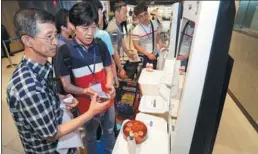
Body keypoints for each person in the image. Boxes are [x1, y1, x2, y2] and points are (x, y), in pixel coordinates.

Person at [6, 8, 109, 154]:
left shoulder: (43, 67)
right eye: (48, 37)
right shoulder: (28, 88)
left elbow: (45, 101)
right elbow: (51, 133)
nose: (55, 42)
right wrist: (91, 112)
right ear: (27, 40)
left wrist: (60, 100)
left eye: (55, 35)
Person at [57, 2, 116, 154]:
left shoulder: (100, 45)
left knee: (110, 131)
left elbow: (109, 70)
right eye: (85, 28)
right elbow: (67, 85)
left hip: (107, 100)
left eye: (94, 27)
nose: (90, 32)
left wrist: (110, 84)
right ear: (73, 26)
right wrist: (86, 91)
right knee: (90, 137)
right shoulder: (64, 52)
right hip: (86, 106)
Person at [106, 0, 136, 78]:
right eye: (124, 12)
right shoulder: (113, 29)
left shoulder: (118, 24)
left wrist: (128, 53)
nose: (126, 15)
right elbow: (114, 51)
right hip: (111, 62)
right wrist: (120, 68)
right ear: (116, 12)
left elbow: (122, 40)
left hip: (115, 60)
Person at [132, 3, 167, 69]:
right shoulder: (136, 30)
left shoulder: (155, 23)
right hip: (144, 57)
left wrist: (161, 44)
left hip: (155, 54)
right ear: (137, 17)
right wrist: (148, 54)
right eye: (141, 16)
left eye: (145, 14)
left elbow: (157, 36)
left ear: (148, 13)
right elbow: (136, 45)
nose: (144, 17)